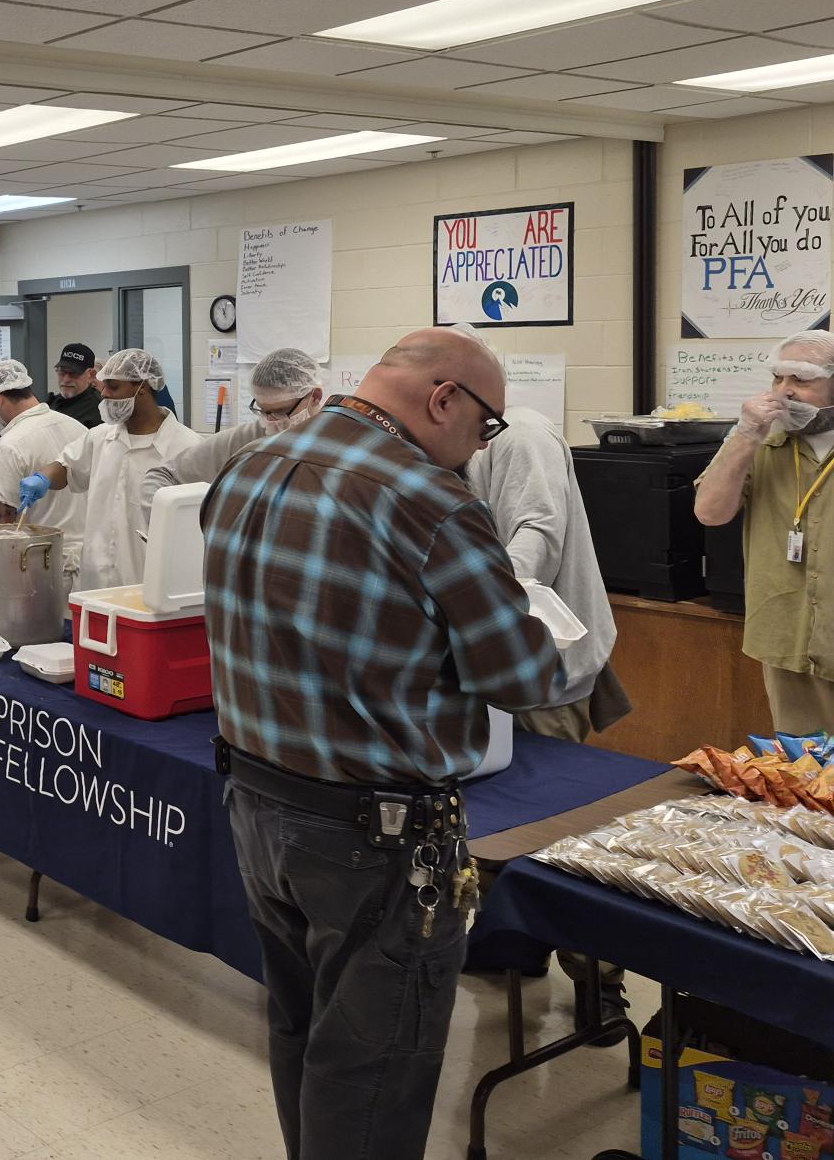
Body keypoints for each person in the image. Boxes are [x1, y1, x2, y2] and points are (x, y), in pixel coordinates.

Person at [202, 328, 565, 1160]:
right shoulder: (430, 500)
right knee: (374, 1065)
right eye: (486, 425)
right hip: (377, 834)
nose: (483, 445)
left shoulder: (250, 465)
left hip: (257, 803)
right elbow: (520, 679)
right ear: (444, 399)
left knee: (302, 1027)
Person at [465, 397, 631, 1038]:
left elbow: (536, 536)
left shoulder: (520, 436)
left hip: (545, 671)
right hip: (492, 669)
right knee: (496, 820)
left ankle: (600, 983)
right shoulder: (455, 443)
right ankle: (512, 946)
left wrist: (467, 602)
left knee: (557, 837)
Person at [695, 329, 834, 734]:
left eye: (801, 379)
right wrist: (746, 436)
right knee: (801, 765)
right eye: (777, 378)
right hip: (788, 636)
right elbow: (710, 513)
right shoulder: (760, 439)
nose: (783, 391)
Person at [17, 348, 198, 589]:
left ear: (142, 388)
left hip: (151, 582)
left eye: (113, 387)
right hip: (96, 580)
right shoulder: (101, 437)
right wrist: (43, 478)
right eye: (104, 386)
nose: (104, 394)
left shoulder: (187, 447)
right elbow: (66, 466)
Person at [144, 346, 325, 495]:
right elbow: (162, 475)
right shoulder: (246, 439)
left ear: (315, 396)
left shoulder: (334, 444)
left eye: (281, 411)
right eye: (263, 411)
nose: (271, 421)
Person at [0, 360, 84, 539]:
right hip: (88, 548)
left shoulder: (9, 445)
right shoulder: (77, 428)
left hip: (42, 552)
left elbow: (3, 525)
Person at [48, 343, 102, 426]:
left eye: (74, 373)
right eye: (62, 372)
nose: (66, 380)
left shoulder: (99, 411)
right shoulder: (52, 403)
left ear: (91, 375)